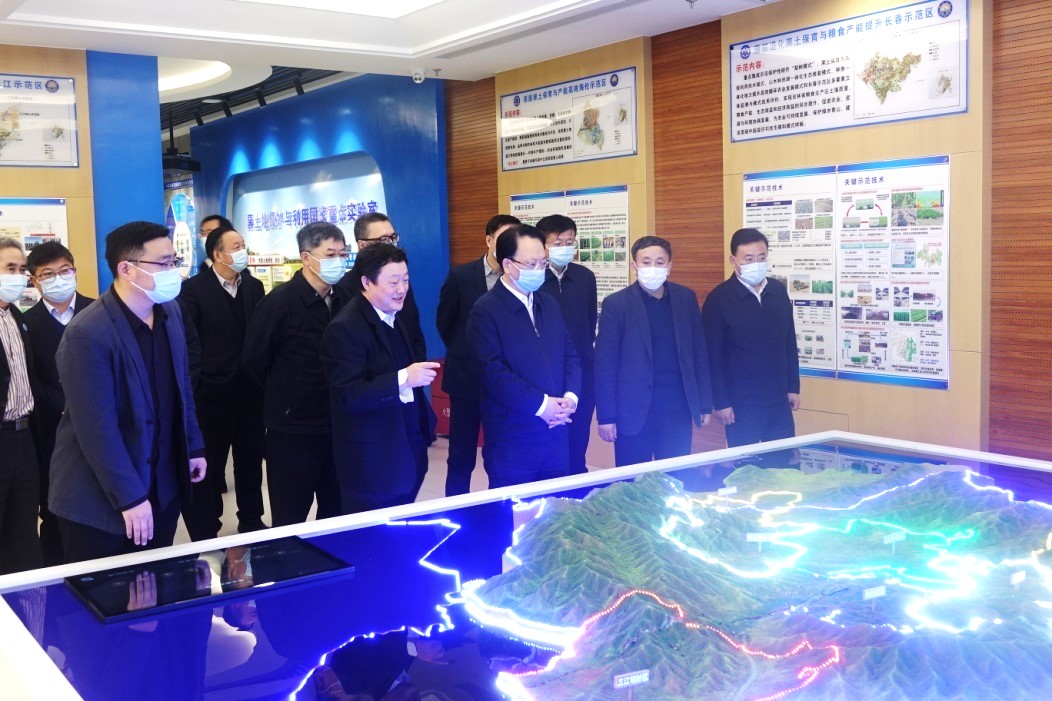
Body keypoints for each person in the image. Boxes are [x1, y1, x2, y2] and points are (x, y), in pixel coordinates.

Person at [49, 222, 206, 563]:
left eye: (174, 261)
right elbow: (96, 430)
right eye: (163, 263)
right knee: (105, 593)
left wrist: (193, 445)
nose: (173, 271)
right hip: (99, 502)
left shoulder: (170, 311)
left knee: (156, 585)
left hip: (161, 486)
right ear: (126, 269)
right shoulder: (87, 333)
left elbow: (182, 388)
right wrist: (130, 497)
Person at [243, 221, 348, 526]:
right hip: (292, 430)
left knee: (336, 512)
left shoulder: (346, 298)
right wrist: (288, 393)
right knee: (290, 516)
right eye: (330, 254)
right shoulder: (279, 302)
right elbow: (253, 361)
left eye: (342, 254)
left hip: (338, 425)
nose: (338, 261)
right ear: (306, 257)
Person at [321, 244, 438, 513]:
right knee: (372, 530)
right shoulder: (345, 328)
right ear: (366, 282)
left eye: (405, 280)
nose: (402, 289)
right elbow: (348, 396)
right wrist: (403, 378)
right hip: (373, 461)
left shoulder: (396, 315)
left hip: (407, 447)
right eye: (393, 282)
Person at [466, 224, 580, 488]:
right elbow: (492, 371)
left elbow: (570, 354)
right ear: (507, 264)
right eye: (531, 264)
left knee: (556, 507)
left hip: (556, 432)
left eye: (543, 263)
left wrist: (570, 398)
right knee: (514, 510)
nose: (539, 270)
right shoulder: (485, 311)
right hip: (513, 437)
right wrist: (541, 405)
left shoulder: (548, 304)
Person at [178, 224, 266, 537]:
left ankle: (252, 518)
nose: (243, 251)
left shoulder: (253, 286)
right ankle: (209, 524)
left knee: (250, 460)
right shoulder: (193, 290)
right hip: (212, 393)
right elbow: (189, 342)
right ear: (218, 254)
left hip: (250, 391)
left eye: (243, 245)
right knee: (211, 464)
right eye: (236, 246)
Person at [594, 235, 713, 466]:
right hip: (633, 411)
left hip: (677, 408)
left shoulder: (685, 298)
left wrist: (704, 402)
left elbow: (699, 352)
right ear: (634, 266)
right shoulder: (616, 304)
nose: (653, 268)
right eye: (646, 262)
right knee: (632, 479)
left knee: (676, 476)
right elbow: (605, 365)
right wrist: (606, 416)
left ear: (669, 266)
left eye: (660, 262)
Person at [435, 213, 520, 496]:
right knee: (461, 455)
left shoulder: (518, 277)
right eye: (503, 238)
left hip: (506, 383)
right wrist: (467, 354)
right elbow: (445, 323)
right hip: (466, 381)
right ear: (489, 240)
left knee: (500, 454)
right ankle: (456, 509)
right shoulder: (460, 276)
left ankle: (498, 506)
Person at [24, 241, 95, 565]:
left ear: (75, 270)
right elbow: (29, 377)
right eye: (48, 274)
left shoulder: (99, 312)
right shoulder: (27, 323)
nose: (58, 279)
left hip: (99, 423)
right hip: (52, 429)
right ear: (35, 280)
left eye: (64, 271)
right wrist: (63, 405)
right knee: (55, 507)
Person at [702, 227, 800, 448]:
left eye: (761, 257)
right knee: (745, 464)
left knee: (782, 461)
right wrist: (721, 402)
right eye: (748, 259)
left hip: (778, 400)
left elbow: (788, 342)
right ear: (733, 260)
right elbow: (712, 357)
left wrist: (793, 386)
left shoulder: (777, 291)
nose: (756, 263)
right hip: (741, 405)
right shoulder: (719, 299)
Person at [537, 214, 597, 474]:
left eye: (569, 242)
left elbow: (590, 321)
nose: (564, 248)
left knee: (578, 437)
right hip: (546, 376)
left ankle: (577, 488)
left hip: (581, 373)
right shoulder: (534, 279)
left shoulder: (585, 277)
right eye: (557, 242)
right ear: (543, 245)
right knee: (549, 442)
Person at [0, 238, 43, 573]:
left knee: (24, 534)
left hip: (24, 437)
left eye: (21, 269)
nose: (18, 276)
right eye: (9, 268)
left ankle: (26, 600)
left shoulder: (16, 315)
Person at [339, 212, 425, 360]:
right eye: (384, 239)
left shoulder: (401, 283)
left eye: (393, 238)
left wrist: (418, 366)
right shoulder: (345, 288)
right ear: (362, 245)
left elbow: (414, 330)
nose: (391, 244)